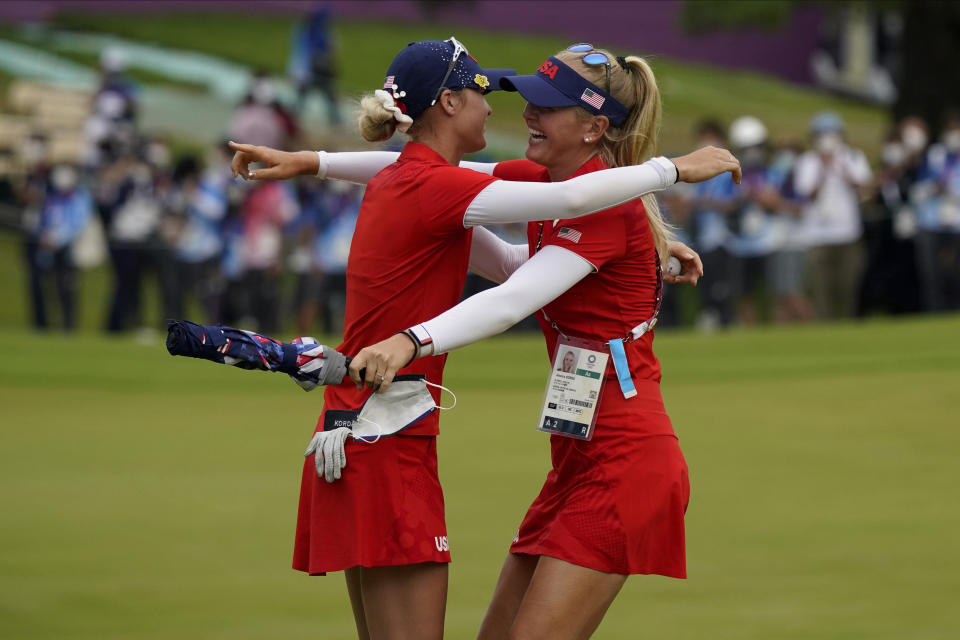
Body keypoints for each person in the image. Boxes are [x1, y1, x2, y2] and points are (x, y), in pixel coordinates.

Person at [230, 38, 738, 640]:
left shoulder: (604, 206)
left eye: (546, 106)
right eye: (529, 98)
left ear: (595, 126)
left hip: (627, 462)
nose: (526, 113)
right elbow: (424, 173)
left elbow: (512, 300)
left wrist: (409, 342)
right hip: (575, 463)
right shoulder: (551, 182)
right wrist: (314, 162)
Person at [793, 111, 872, 320]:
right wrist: (822, 167)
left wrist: (841, 167)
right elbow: (807, 195)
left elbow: (863, 189)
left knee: (848, 288)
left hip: (848, 234)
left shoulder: (853, 156)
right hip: (817, 237)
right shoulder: (807, 162)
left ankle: (849, 325)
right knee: (821, 291)